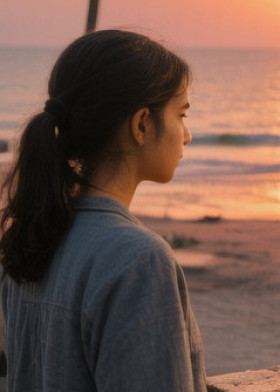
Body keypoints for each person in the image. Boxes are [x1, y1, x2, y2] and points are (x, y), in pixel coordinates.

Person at [0, 30, 206, 391]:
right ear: (142, 124)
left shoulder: (30, 243)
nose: (186, 135)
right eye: (181, 114)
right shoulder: (138, 260)